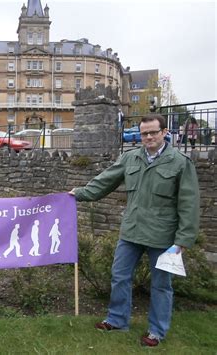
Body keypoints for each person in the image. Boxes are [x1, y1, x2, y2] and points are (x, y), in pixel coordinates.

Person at [70, 113, 199, 347]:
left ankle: (156, 331)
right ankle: (117, 320)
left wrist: (182, 241)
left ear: (164, 132)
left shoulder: (180, 163)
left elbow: (189, 205)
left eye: (153, 132)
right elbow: (104, 181)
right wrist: (78, 194)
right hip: (131, 232)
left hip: (162, 237)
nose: (148, 137)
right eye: (144, 133)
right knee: (119, 276)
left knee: (161, 285)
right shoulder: (130, 158)